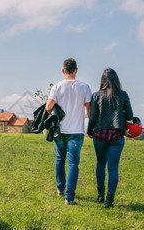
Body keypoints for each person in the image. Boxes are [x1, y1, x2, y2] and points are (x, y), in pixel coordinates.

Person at [46, 58, 92, 205]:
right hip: (77, 131)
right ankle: (69, 197)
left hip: (60, 131)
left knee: (60, 160)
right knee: (73, 164)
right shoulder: (85, 87)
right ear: (76, 70)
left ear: (63, 71)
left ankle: (60, 189)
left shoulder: (57, 87)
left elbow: (48, 107)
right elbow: (89, 110)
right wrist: (90, 127)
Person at [87, 68, 134, 208]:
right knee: (113, 169)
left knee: (100, 164)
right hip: (117, 135)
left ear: (102, 80)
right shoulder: (123, 95)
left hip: (100, 135)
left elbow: (93, 117)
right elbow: (130, 116)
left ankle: (100, 195)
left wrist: (89, 131)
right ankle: (109, 201)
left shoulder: (96, 95)